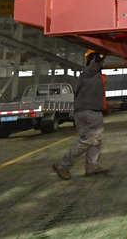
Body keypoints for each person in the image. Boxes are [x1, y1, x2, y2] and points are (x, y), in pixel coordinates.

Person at [53, 49, 109, 180]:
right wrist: (102, 52)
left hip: (84, 112)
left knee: (96, 140)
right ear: (92, 60)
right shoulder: (89, 72)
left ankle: (92, 166)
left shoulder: (92, 75)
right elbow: (96, 63)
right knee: (88, 141)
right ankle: (63, 166)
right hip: (90, 113)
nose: (103, 62)